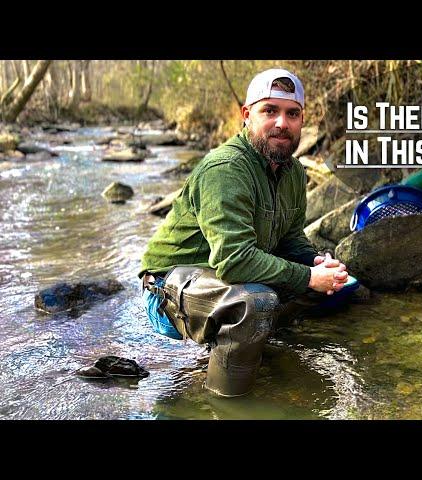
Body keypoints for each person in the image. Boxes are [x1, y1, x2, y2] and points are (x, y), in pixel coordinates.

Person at [139, 68, 350, 397]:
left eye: (292, 114)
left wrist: (316, 262)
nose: (282, 123)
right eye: (270, 111)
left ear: (302, 120)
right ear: (246, 115)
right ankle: (223, 402)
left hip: (221, 275)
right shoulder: (226, 169)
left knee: (326, 286)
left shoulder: (292, 172)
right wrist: (308, 276)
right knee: (257, 302)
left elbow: (291, 238)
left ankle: (249, 353)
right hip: (169, 286)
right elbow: (234, 261)